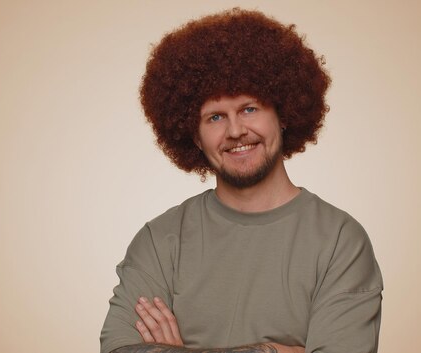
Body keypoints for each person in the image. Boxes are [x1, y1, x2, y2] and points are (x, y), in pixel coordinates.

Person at [100, 8, 383, 353]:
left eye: (250, 108)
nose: (235, 131)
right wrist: (268, 351)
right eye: (215, 117)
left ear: (283, 115)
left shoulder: (339, 241)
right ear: (193, 136)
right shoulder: (161, 242)